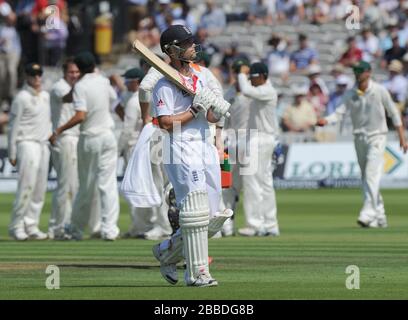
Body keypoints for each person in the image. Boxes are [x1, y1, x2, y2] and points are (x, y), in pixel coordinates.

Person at [150, 25, 232, 287]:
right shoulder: (164, 84)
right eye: (186, 43)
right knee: (195, 210)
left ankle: (167, 251)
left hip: (204, 145)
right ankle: (197, 273)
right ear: (172, 50)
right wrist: (193, 109)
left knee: (213, 216)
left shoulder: (198, 78)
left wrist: (216, 111)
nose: (192, 46)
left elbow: (208, 117)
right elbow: (164, 123)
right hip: (182, 146)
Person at [317, 61, 408, 228]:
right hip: (359, 138)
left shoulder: (380, 90)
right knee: (366, 176)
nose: (357, 74)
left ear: (368, 73)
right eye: (355, 71)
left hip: (377, 137)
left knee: (371, 174)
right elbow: (338, 113)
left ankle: (367, 213)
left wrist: (402, 138)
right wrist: (326, 120)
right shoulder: (351, 93)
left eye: (360, 71)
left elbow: (394, 113)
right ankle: (380, 216)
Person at [49, 52, 120, 240]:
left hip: (90, 138)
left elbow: (80, 115)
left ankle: (77, 229)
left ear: (79, 70)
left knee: (86, 186)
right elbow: (114, 101)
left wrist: (59, 130)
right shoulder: (103, 81)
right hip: (108, 136)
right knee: (108, 185)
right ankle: (109, 230)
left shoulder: (81, 86)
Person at [7, 63, 51, 240]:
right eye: (33, 75)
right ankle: (16, 225)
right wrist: (12, 152)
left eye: (39, 75)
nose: (37, 78)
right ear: (27, 77)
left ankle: (31, 224)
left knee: (40, 188)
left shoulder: (46, 96)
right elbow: (13, 126)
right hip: (26, 144)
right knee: (27, 186)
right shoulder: (21, 97)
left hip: (43, 145)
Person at [236, 62, 280, 237]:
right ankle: (270, 224)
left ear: (262, 76)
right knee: (265, 183)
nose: (250, 81)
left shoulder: (267, 91)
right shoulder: (263, 91)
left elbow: (246, 90)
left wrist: (240, 73)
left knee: (252, 182)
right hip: (263, 139)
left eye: (252, 78)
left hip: (259, 139)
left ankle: (255, 225)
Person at [48, 58, 80, 240]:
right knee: (65, 185)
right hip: (63, 139)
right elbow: (68, 97)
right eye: (71, 72)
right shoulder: (58, 86)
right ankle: (57, 227)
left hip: (74, 138)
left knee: (74, 186)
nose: (74, 75)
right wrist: (87, 83)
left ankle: (67, 225)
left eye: (77, 72)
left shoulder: (77, 86)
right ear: (64, 73)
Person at [220, 58, 252, 237]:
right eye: (236, 70)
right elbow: (222, 119)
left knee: (247, 184)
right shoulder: (229, 93)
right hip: (231, 141)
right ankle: (227, 224)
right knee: (228, 185)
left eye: (241, 71)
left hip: (249, 140)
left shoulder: (251, 90)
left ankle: (253, 223)